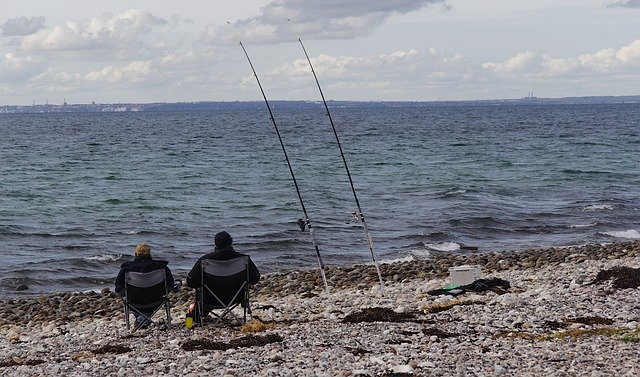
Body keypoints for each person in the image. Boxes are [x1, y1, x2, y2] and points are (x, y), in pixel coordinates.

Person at [186, 231, 260, 322]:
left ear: (215, 244)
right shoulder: (244, 259)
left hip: (210, 299)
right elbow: (255, 278)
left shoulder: (204, 261)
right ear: (231, 242)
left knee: (199, 289)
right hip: (237, 297)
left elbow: (191, 282)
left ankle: (197, 315)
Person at [115, 243, 179, 328]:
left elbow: (118, 288)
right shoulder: (161, 267)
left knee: (126, 294)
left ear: (136, 254)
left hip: (134, 303)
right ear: (149, 253)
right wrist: (163, 291)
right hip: (156, 301)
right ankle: (143, 319)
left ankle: (141, 319)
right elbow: (170, 285)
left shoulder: (126, 269)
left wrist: (125, 294)